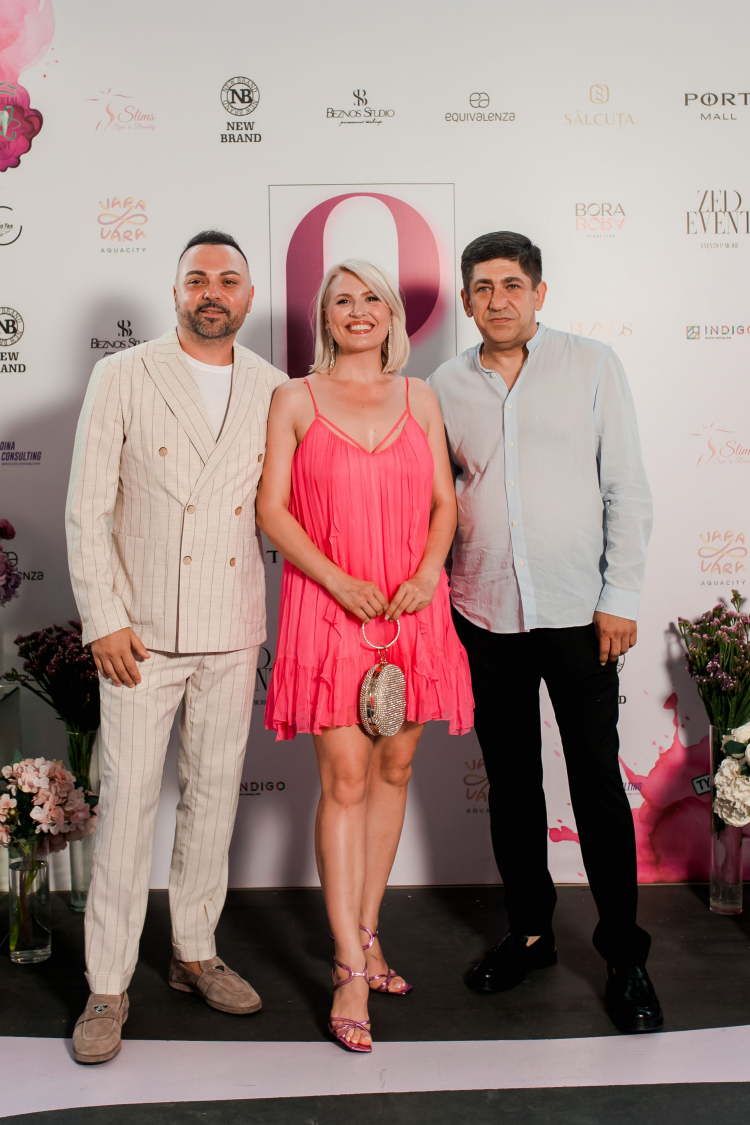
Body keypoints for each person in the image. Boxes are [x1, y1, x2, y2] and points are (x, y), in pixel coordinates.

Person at [428, 231, 662, 1033]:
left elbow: (626, 486)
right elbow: (440, 495)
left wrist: (619, 595)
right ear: (467, 300)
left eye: (512, 284)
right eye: (483, 287)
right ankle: (529, 933)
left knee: (596, 783)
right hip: (483, 610)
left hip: (579, 612)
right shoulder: (444, 384)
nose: (498, 299)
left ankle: (625, 955)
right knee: (512, 784)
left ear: (539, 292)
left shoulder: (593, 365)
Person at [66, 230, 287, 1064]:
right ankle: (107, 984)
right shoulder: (123, 374)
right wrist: (103, 618)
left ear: (249, 297)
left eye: (228, 279)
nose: (212, 291)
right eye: (197, 278)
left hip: (232, 629)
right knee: (127, 807)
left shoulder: (273, 386)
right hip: (141, 635)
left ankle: (195, 952)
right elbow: (88, 509)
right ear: (176, 292)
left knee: (214, 798)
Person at [257, 259, 473, 1052]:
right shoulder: (294, 398)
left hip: (412, 607)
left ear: (391, 315)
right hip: (330, 606)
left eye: (371, 298)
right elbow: (272, 510)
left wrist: (427, 572)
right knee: (345, 779)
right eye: (341, 299)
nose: (357, 309)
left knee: (395, 768)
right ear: (325, 316)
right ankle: (348, 964)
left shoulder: (422, 398)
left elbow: (445, 503)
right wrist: (336, 580)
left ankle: (370, 931)